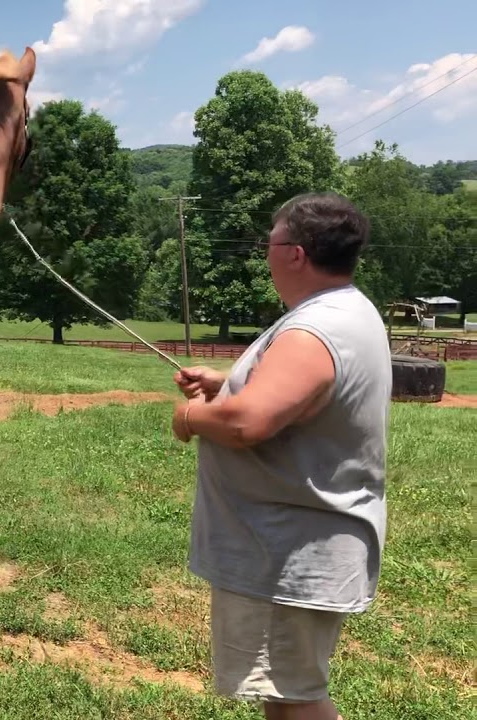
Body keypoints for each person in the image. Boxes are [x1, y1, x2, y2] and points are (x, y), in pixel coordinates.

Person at [170, 192, 391, 720]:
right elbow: (312, 392)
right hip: (290, 549)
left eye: (270, 242)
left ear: (296, 254)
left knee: (300, 699)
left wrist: (189, 419)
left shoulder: (316, 327)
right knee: (286, 694)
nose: (264, 253)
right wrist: (232, 382)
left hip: (291, 553)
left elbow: (248, 423)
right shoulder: (344, 311)